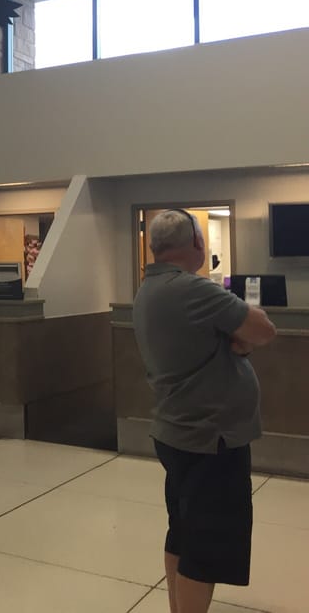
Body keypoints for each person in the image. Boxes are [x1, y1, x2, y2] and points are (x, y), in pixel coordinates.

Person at [133, 209, 277, 613]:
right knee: (206, 547)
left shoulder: (150, 289)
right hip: (211, 440)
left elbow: (227, 340)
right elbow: (263, 330)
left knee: (182, 532)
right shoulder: (193, 289)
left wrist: (237, 343)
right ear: (197, 242)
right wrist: (240, 343)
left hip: (177, 433)